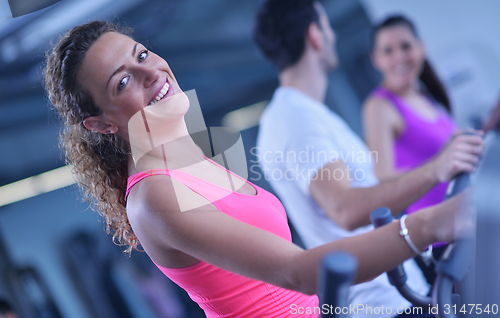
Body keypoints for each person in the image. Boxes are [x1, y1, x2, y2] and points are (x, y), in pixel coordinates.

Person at [44, 20, 472, 318]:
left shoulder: (200, 155)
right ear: (101, 124)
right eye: (123, 81)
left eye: (142, 54)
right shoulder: (154, 196)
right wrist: (431, 223)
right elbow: (299, 272)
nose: (150, 72)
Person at [254, 0, 483, 317]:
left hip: (403, 291)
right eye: (327, 27)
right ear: (315, 35)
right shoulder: (294, 118)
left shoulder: (309, 114)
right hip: (382, 306)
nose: (331, 35)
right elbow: (345, 208)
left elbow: (370, 194)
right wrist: (437, 168)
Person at [363, 15, 500, 283]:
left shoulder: (425, 94)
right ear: (376, 59)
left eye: (405, 46)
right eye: (387, 50)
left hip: (468, 222)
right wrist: (439, 163)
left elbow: (447, 154)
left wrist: (488, 125)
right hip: (443, 239)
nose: (399, 57)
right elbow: (383, 176)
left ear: (420, 48)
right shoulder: (379, 106)